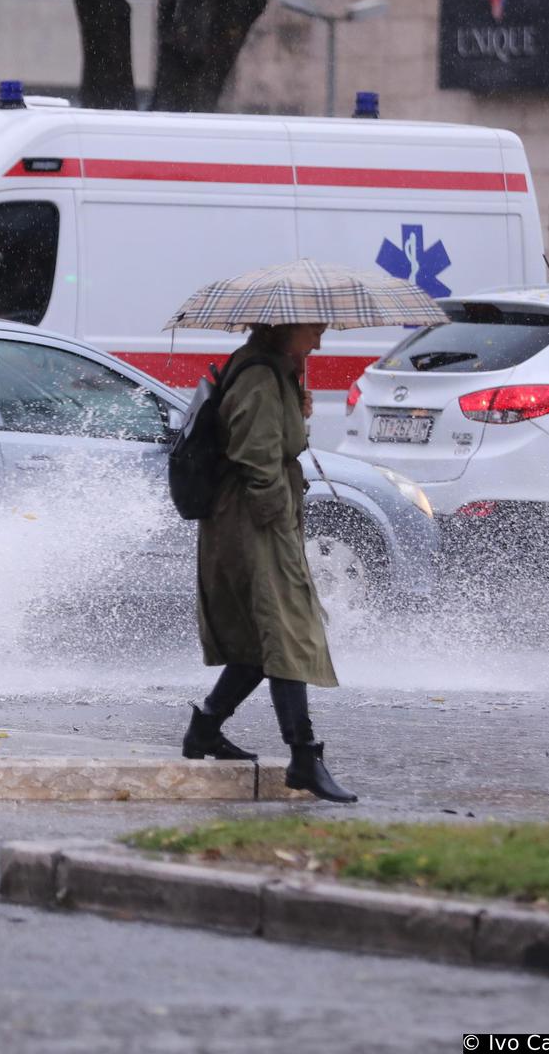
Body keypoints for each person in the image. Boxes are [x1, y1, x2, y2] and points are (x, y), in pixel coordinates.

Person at [181, 321, 357, 803]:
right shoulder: (260, 377)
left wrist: (296, 412)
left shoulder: (273, 372)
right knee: (287, 630)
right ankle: (303, 757)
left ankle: (205, 730)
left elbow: (274, 443)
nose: (320, 340)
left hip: (254, 519)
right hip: (254, 523)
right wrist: (275, 517)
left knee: (262, 637)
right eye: (314, 331)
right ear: (286, 328)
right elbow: (256, 456)